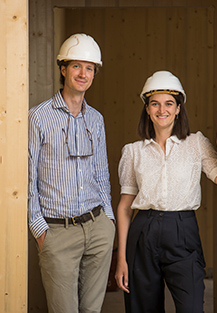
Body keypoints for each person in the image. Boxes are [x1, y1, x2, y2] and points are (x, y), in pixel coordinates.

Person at [115, 70, 217, 313]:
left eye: (169, 103)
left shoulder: (197, 144)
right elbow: (125, 207)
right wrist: (121, 259)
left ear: (178, 108)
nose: (161, 110)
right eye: (154, 103)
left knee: (191, 307)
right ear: (147, 109)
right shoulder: (133, 152)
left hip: (182, 231)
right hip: (143, 231)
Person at [28, 33, 115, 313]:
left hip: (97, 227)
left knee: (92, 310)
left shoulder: (96, 119)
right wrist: (40, 230)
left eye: (89, 68)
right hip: (57, 232)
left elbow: (102, 174)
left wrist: (109, 222)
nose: (83, 73)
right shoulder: (38, 117)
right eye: (76, 66)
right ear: (63, 69)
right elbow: (28, 179)